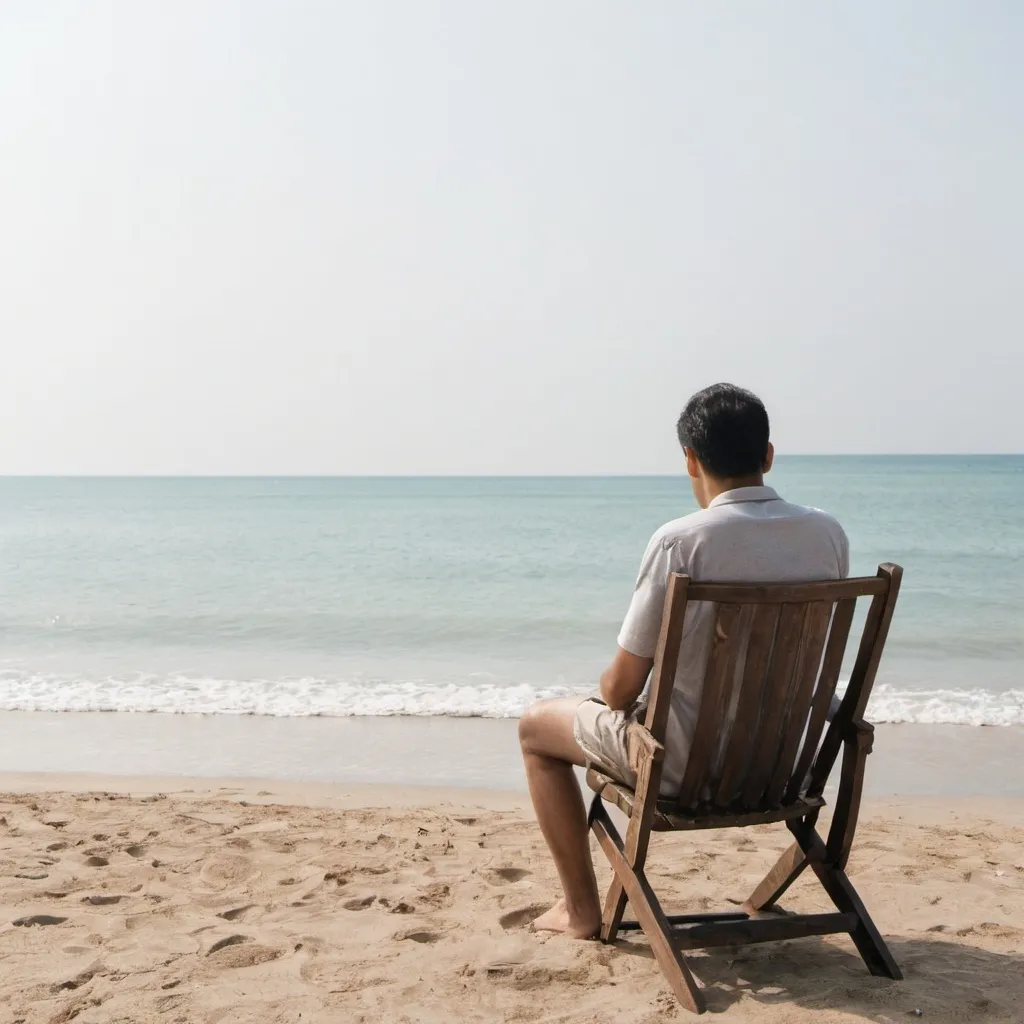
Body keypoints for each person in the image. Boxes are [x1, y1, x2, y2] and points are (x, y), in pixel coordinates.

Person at [518, 383, 850, 939]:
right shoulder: (827, 534)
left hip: (681, 772)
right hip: (783, 767)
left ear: (691, 460)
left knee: (535, 728)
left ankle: (578, 910)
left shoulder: (681, 542)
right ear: (768, 455)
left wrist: (604, 694)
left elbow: (623, 690)